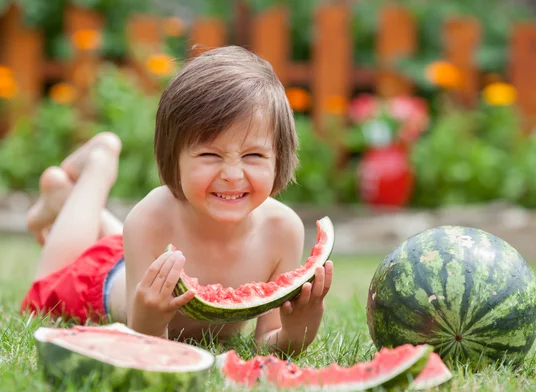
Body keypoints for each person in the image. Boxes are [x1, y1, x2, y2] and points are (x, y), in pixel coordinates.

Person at [20, 45, 334, 356]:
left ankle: (66, 199)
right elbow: (142, 340)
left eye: (254, 155)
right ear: (174, 158)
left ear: (278, 158)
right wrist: (151, 320)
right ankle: (99, 164)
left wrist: (297, 332)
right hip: (104, 281)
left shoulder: (283, 231)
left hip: (148, 253)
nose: (232, 175)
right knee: (46, 285)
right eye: (210, 154)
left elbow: (267, 344)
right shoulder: (148, 219)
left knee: (119, 241)